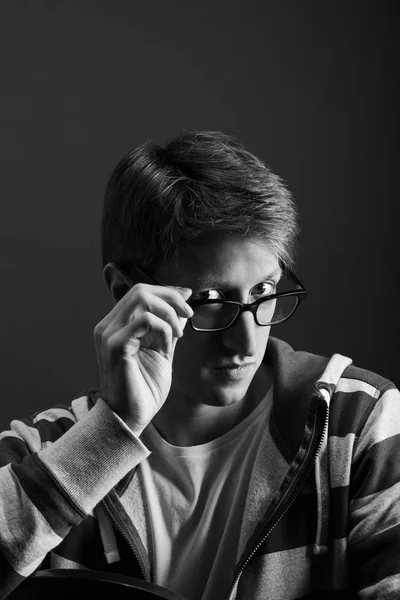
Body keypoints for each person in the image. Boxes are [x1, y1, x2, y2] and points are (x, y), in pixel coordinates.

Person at [0, 131, 399, 600]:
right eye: (211, 300)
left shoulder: (359, 425)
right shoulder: (46, 448)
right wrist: (112, 431)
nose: (246, 339)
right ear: (125, 293)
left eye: (264, 292)